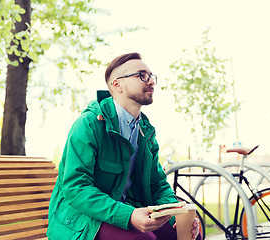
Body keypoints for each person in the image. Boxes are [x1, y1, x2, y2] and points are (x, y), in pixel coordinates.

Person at [47, 52, 201, 240]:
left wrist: (177, 212)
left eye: (152, 76)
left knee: (189, 234)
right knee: (144, 239)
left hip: (127, 210)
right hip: (82, 221)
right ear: (117, 85)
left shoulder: (146, 131)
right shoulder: (89, 124)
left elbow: (157, 184)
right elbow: (76, 187)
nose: (151, 81)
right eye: (142, 75)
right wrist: (128, 215)